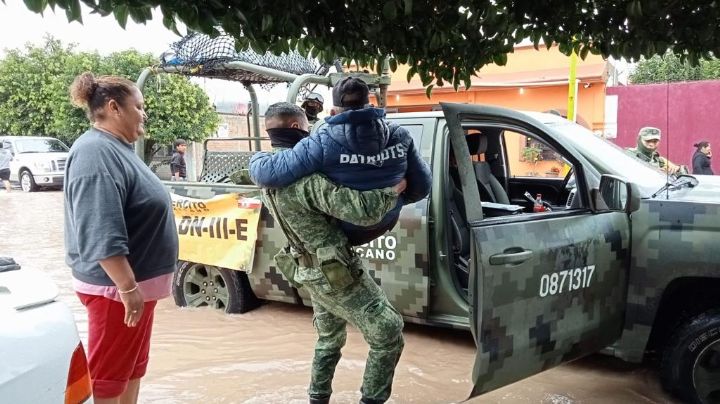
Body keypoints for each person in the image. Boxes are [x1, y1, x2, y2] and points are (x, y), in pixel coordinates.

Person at [251, 102, 406, 404]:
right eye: (307, 126)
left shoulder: (267, 175)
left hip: (308, 271)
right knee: (388, 331)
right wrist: (395, 189)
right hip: (335, 274)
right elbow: (363, 211)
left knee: (329, 339)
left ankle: (317, 398)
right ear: (296, 128)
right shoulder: (304, 180)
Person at [65, 72, 178, 404]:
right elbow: (99, 229)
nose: (144, 114)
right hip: (116, 291)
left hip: (134, 290)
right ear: (114, 107)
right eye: (139, 107)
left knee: (130, 370)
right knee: (107, 379)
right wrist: (128, 288)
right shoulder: (95, 153)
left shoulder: (118, 148)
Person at [250, 77, 432, 245]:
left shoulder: (321, 142)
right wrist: (394, 201)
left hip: (347, 232)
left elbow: (267, 174)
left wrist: (258, 157)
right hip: (387, 222)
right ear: (369, 105)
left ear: (332, 111)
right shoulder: (400, 135)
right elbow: (423, 185)